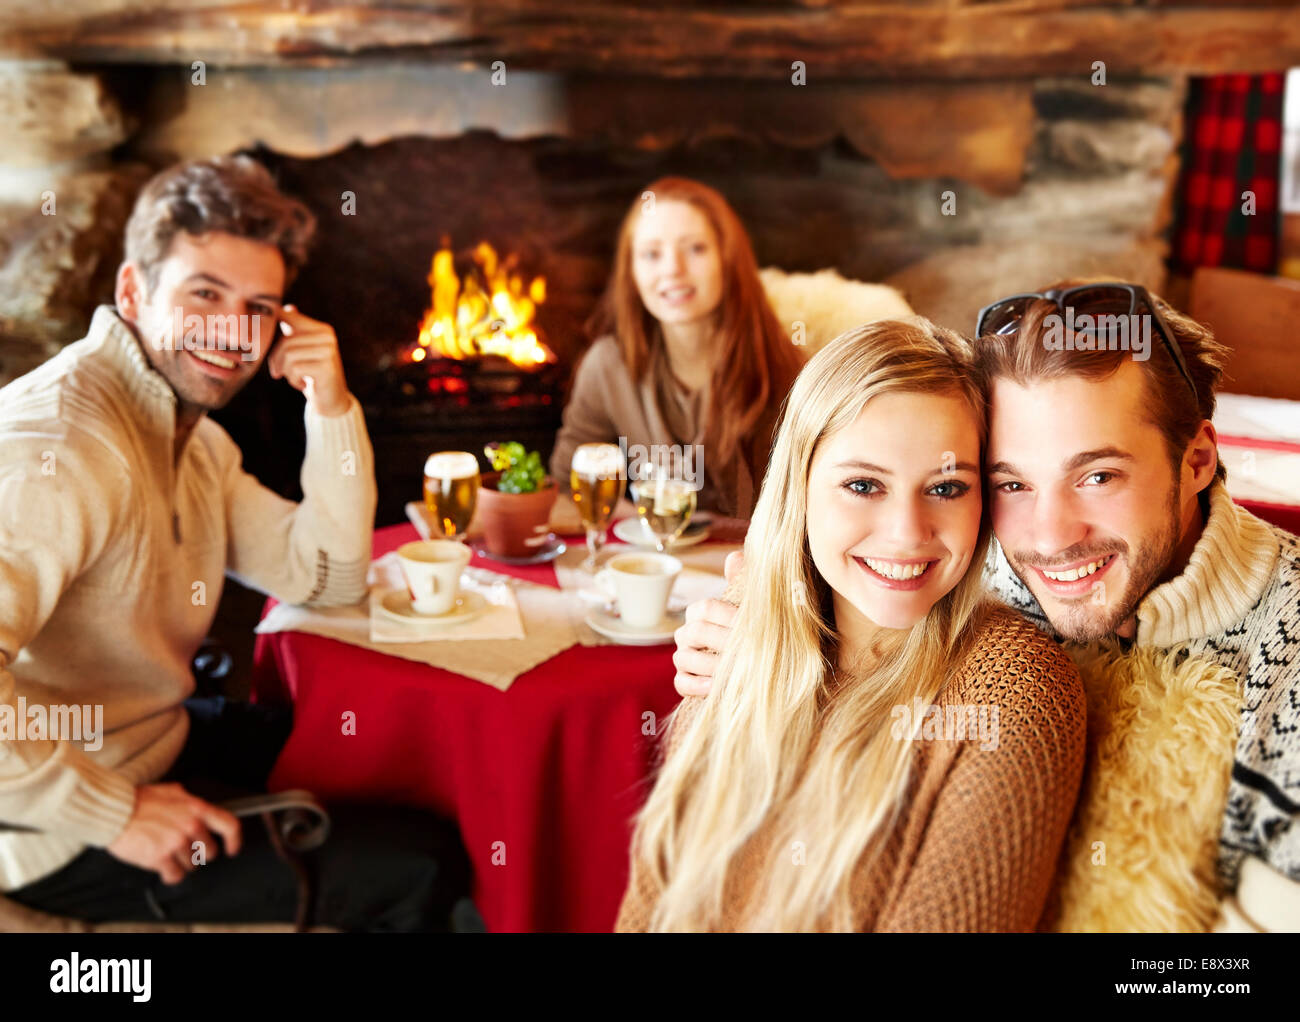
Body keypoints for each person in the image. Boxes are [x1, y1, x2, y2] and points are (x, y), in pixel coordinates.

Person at [671, 281, 1300, 932]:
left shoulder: (1290, 654)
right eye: (1012, 483)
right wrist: (755, 624)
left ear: (1196, 460)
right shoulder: (977, 556)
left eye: (1097, 476)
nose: (1050, 538)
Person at [0, 155, 474, 931]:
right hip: (53, 826)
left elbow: (327, 577)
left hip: (162, 737)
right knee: (421, 863)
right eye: (204, 294)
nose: (233, 331)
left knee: (407, 762)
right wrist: (115, 813)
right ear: (132, 291)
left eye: (259, 307)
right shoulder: (55, 446)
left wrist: (333, 405)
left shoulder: (192, 436)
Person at [616, 318, 1087, 932]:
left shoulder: (1014, 689)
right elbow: (650, 906)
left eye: (946, 488)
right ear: (799, 489)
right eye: (863, 485)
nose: (905, 533)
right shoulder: (740, 636)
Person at [549, 177, 803, 519]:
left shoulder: (787, 367)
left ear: (728, 260)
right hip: (651, 560)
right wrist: (642, 525)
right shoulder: (608, 364)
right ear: (632, 272)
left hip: (750, 562)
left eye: (695, 249)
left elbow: (809, 505)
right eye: (651, 254)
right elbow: (569, 483)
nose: (672, 269)